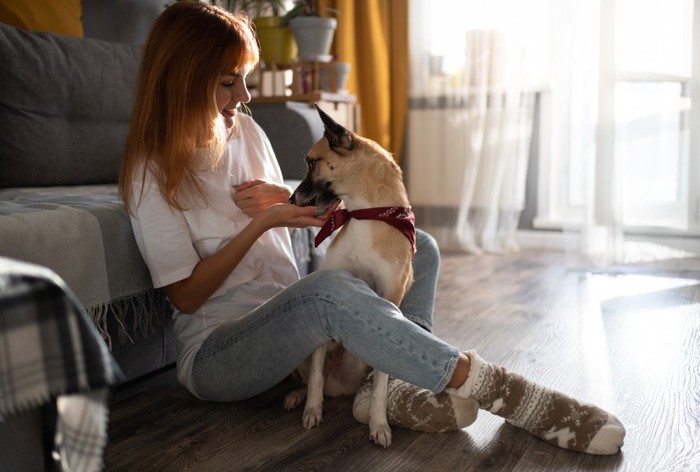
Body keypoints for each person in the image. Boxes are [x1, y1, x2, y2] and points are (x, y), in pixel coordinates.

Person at [119, 2, 625, 455]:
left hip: (294, 331)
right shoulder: (151, 172)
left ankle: (398, 387)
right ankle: (499, 389)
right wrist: (263, 223)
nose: (245, 95)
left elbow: (308, 217)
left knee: (416, 244)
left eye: (245, 78)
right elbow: (185, 297)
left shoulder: (246, 131)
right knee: (326, 292)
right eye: (229, 81)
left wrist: (287, 202)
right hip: (220, 355)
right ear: (183, 79)